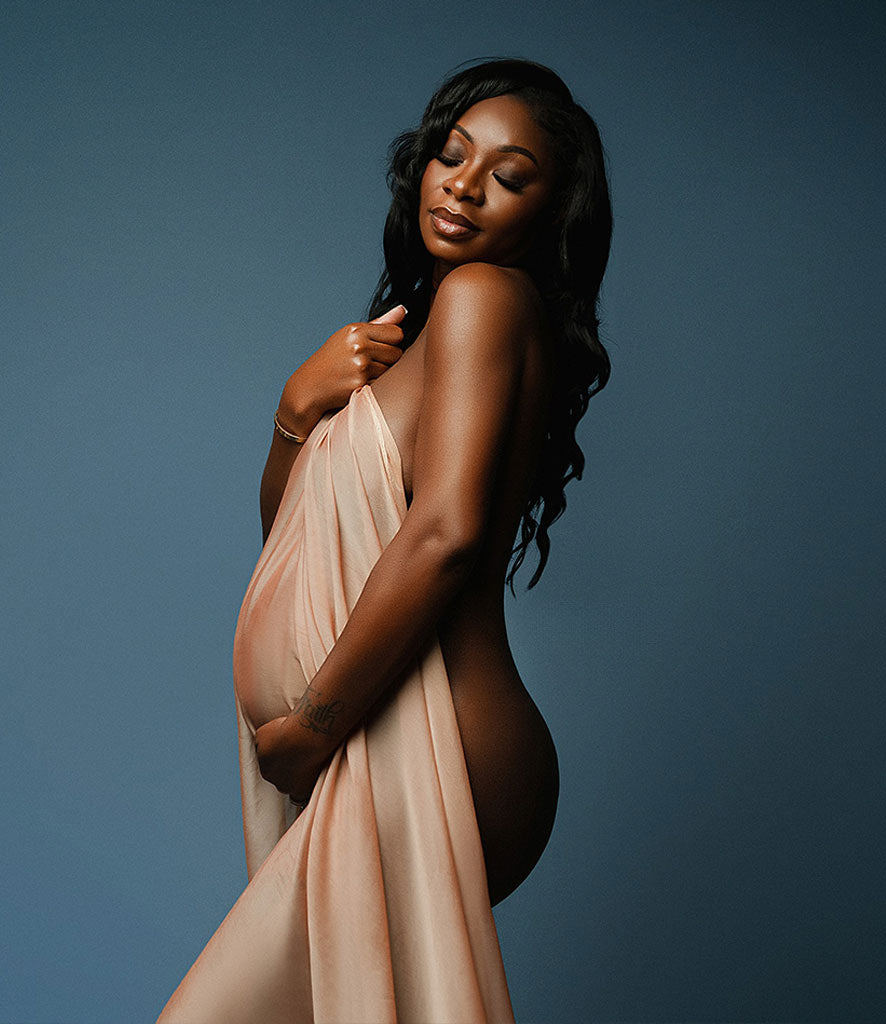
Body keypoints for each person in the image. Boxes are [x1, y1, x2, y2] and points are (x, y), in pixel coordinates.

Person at [157, 56, 612, 1023]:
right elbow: (292, 544)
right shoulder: (419, 341)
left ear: (550, 214)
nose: (465, 185)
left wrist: (313, 726)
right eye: (452, 154)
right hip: (355, 739)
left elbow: (446, 535)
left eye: (509, 175)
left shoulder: (486, 296)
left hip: (428, 739)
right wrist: (296, 411)